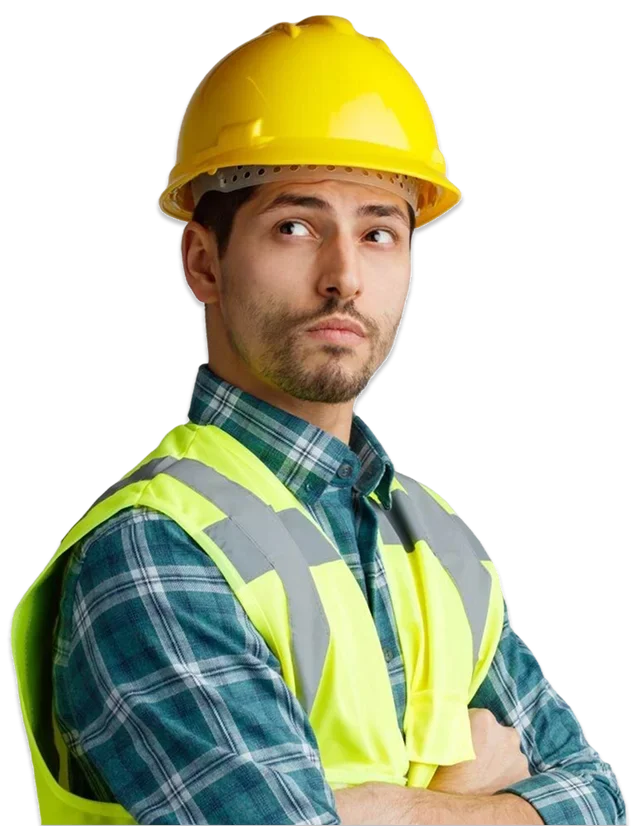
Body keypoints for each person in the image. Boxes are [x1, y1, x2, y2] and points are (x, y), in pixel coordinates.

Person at [9, 14, 628, 825]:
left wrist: (382, 811)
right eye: (294, 227)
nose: (343, 278)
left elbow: (597, 795)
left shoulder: (440, 546)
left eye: (378, 232)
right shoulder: (153, 549)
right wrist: (472, 799)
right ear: (203, 261)